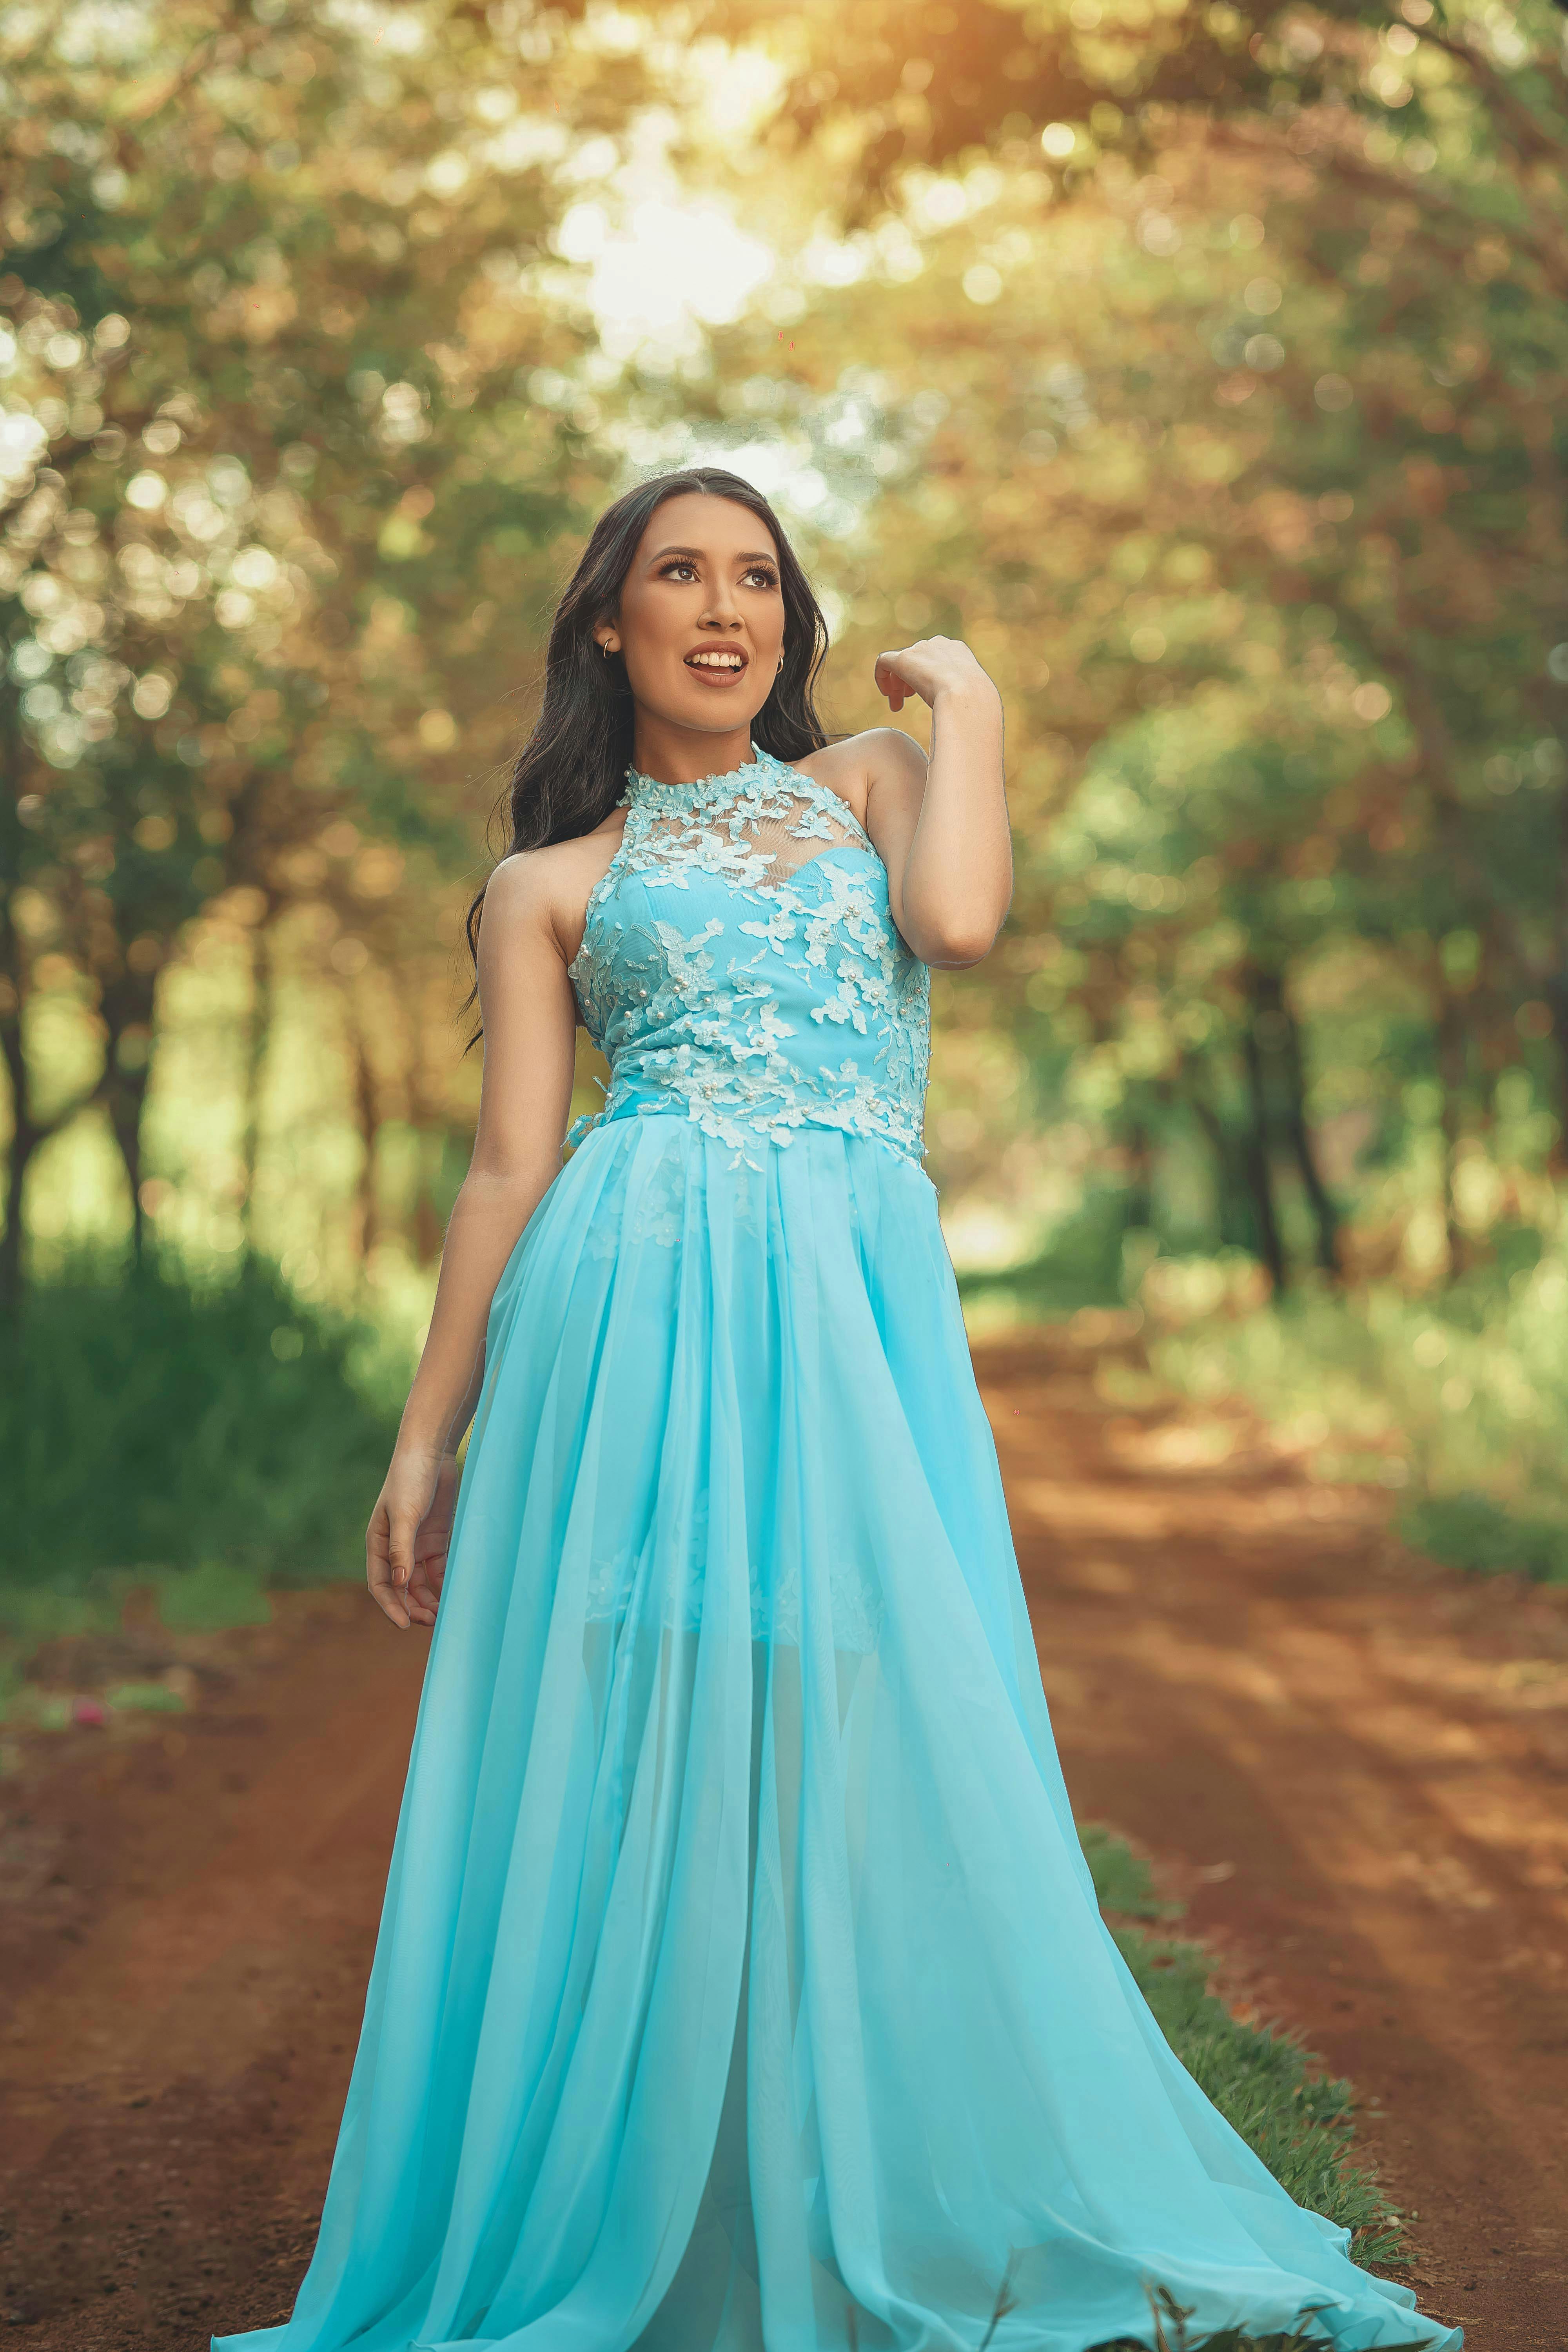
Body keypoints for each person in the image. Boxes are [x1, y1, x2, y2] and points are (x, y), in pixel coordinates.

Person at [213, 468, 1457, 2352]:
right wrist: (421, 1437)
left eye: (757, 580)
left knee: (847, 1716)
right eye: (677, 576)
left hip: (844, 1304)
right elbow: (502, 1172)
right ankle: (640, 2207)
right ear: (606, 625)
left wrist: (975, 700)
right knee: (651, 1722)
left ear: (791, 626)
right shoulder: (547, 887)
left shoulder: (873, 779)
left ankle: (822, 2178)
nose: (722, 609)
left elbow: (955, 925)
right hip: (627, 1316)